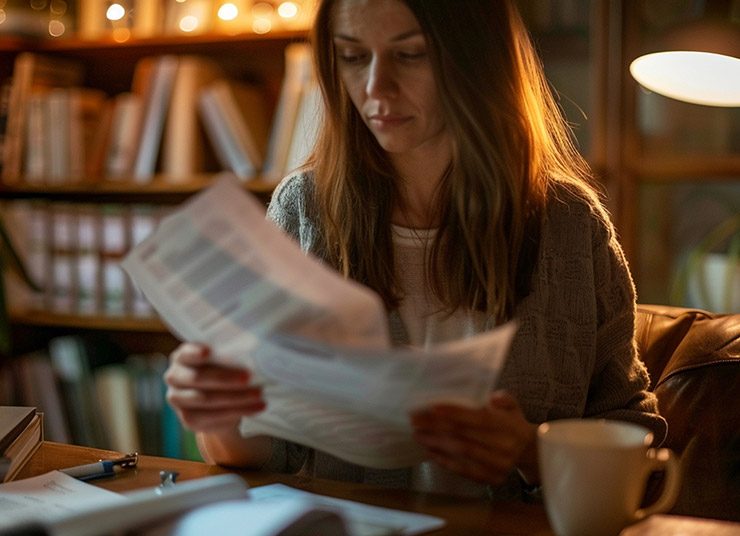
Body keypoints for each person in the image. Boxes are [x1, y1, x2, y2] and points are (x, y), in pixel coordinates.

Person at [164, 0, 667, 499]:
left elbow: (635, 438)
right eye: (354, 56)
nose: (375, 88)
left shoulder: (569, 227)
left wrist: (530, 453)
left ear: (478, 62)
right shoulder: (304, 211)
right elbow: (270, 451)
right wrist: (218, 416)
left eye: (410, 55)